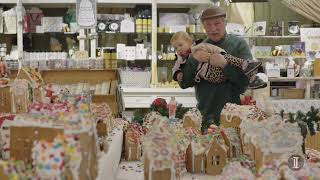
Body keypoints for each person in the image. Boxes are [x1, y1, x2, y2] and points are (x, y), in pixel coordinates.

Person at [175, 6, 265, 130]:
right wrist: (193, 60)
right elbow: (184, 83)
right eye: (208, 25)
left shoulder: (239, 45)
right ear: (203, 26)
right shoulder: (198, 48)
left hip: (232, 116)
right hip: (204, 115)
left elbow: (245, 83)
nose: (213, 29)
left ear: (225, 22)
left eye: (217, 23)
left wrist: (225, 65)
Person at [171, 31, 261, 85]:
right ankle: (249, 75)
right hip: (210, 74)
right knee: (230, 73)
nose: (179, 49)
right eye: (175, 48)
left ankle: (247, 67)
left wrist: (221, 53)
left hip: (216, 64)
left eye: (180, 45)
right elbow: (175, 69)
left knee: (227, 59)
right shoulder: (180, 59)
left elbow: (212, 48)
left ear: (189, 41)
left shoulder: (200, 46)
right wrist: (178, 74)